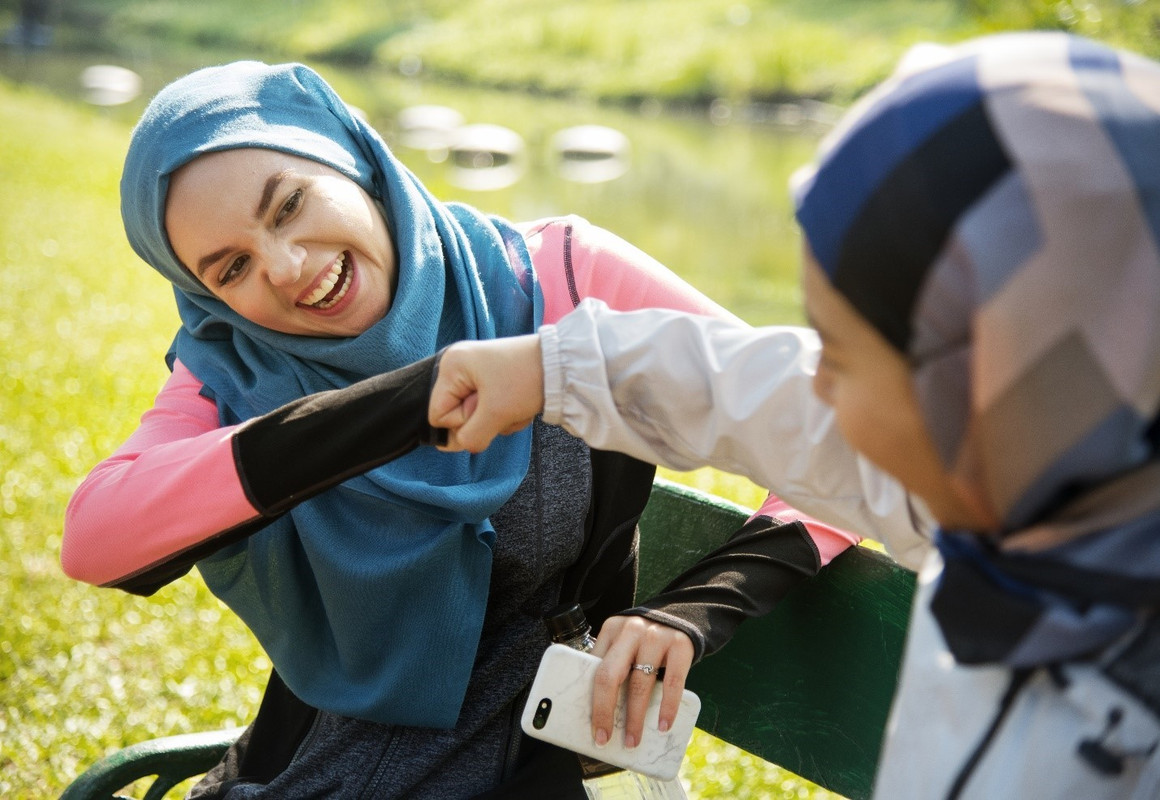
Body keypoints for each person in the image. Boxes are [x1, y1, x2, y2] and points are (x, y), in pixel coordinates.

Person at [60, 60, 859, 798]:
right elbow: (97, 537)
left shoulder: (561, 278)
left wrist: (695, 608)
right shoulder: (233, 367)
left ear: (352, 156)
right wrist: (407, 403)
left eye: (290, 203)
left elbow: (838, 426)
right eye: (229, 267)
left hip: (527, 767)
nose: (287, 266)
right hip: (297, 774)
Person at [429, 32, 1160, 798]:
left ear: (978, 381)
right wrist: (555, 369)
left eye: (837, 356)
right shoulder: (1013, 490)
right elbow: (755, 393)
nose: (822, 393)